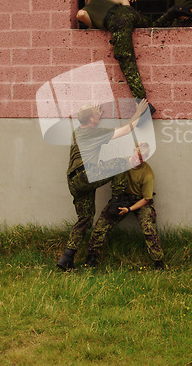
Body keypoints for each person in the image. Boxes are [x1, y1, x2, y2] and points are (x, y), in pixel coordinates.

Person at [57, 98, 149, 270]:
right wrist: (138, 112)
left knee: (84, 220)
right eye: (95, 115)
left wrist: (93, 114)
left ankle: (66, 259)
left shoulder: (77, 131)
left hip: (75, 182)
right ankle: (117, 200)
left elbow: (91, 125)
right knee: (122, 162)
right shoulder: (94, 134)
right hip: (86, 176)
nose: (98, 115)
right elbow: (127, 130)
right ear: (91, 119)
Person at [86, 142, 165, 270]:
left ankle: (158, 261)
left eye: (140, 159)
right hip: (122, 198)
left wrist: (129, 209)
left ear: (145, 158)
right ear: (133, 152)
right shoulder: (121, 163)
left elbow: (146, 198)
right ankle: (91, 257)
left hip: (140, 201)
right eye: (134, 156)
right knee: (102, 224)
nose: (135, 160)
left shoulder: (147, 173)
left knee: (148, 228)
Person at [76, 0, 155, 114]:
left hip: (117, 22)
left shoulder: (87, 9)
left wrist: (90, 23)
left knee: (126, 61)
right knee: (152, 24)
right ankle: (173, 14)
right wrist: (128, 17)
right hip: (129, 13)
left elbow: (80, 14)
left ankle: (143, 105)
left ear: (87, 2)